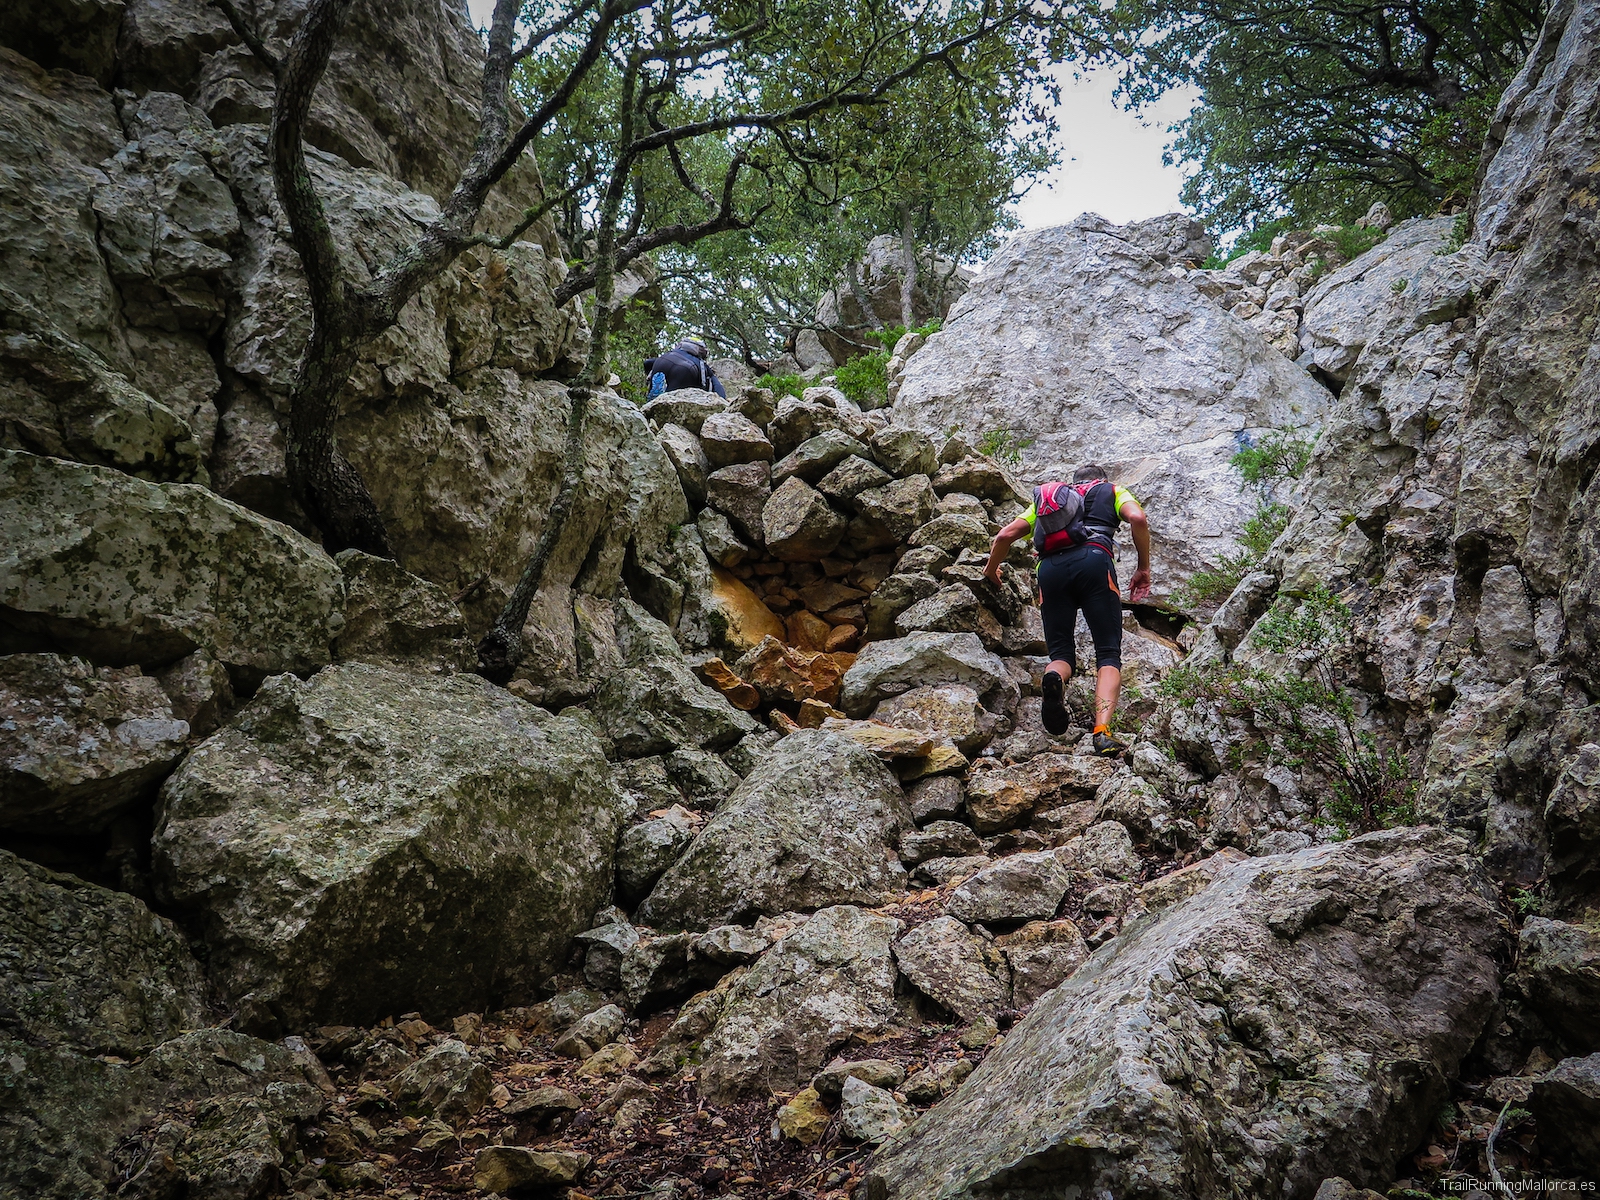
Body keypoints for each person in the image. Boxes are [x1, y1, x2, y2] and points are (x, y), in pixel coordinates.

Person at [982, 463, 1152, 757]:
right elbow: (1137, 518)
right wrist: (1143, 567)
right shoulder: (1112, 491)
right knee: (1108, 653)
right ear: (1101, 480)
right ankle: (1101, 732)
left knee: (1061, 655)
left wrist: (991, 569)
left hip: (1050, 571)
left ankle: (1055, 678)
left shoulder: (1052, 500)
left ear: (1074, 484)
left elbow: (1004, 536)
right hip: (1095, 563)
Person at [644, 339, 726, 399]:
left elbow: (647, 363)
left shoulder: (671, 353)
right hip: (687, 369)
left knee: (656, 398)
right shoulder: (701, 363)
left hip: (662, 361)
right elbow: (716, 385)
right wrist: (723, 401)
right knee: (671, 399)